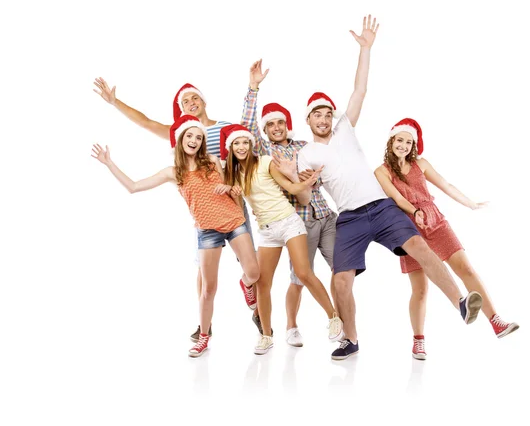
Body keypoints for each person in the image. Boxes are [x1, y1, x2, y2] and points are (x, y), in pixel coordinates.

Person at [297, 15, 482, 361]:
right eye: (316, 115)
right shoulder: (305, 154)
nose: (322, 119)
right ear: (307, 119)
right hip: (349, 219)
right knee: (340, 281)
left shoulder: (344, 129)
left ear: (332, 117)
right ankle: (350, 340)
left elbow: (359, 90)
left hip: (381, 207)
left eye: (326, 113)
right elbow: (305, 197)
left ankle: (459, 302)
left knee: (420, 248)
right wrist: (305, 186)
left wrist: (366, 49)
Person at [93, 76, 264, 342]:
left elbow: (248, 135)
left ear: (204, 100)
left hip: (232, 205)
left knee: (252, 269)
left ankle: (259, 313)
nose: (191, 103)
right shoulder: (181, 134)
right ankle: (204, 325)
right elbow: (147, 123)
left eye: (195, 97)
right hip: (205, 213)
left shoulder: (224, 128)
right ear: (181, 113)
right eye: (184, 101)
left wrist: (253, 88)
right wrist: (115, 102)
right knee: (204, 277)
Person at [374, 118, 519, 359]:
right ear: (391, 141)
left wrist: (470, 204)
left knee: (466, 269)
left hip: (436, 221)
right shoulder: (381, 171)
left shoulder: (421, 164)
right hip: (409, 228)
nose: (403, 145)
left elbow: (446, 185)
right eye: (400, 140)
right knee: (420, 289)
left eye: (409, 142)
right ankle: (418, 340)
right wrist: (415, 212)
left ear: (413, 146)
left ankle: (496, 321)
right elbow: (398, 200)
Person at [220, 124, 344, 355]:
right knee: (263, 284)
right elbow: (241, 210)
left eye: (245, 142)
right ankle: (266, 335)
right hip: (267, 231)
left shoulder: (265, 162)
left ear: (250, 144)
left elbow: (289, 186)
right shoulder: (232, 174)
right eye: (236, 143)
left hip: (289, 222)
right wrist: (234, 196)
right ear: (230, 148)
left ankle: (333, 317)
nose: (241, 146)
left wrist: (308, 181)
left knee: (303, 272)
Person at [240, 60, 338, 348]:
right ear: (265, 131)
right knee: (299, 277)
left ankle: (339, 321)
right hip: (296, 220)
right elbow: (246, 127)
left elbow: (319, 176)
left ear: (288, 125)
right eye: (270, 125)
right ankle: (290, 327)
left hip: (324, 214)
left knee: (341, 272)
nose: (276, 127)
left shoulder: (302, 147)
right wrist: (253, 88)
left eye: (280, 122)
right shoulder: (262, 151)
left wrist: (309, 179)